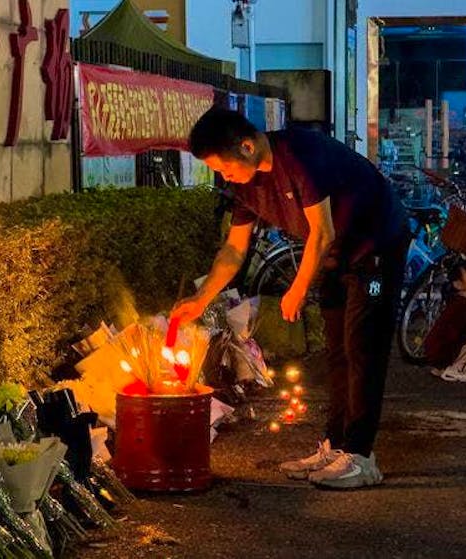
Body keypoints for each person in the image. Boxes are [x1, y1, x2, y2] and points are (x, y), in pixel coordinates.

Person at [170, 107, 408, 489]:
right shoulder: (246, 186)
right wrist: (200, 298)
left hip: (375, 251)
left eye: (224, 167)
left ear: (247, 146)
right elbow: (233, 250)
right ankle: (336, 445)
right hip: (334, 259)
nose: (224, 176)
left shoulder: (299, 155)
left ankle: (362, 456)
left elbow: (322, 231)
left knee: (362, 346)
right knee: (338, 352)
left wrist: (296, 290)